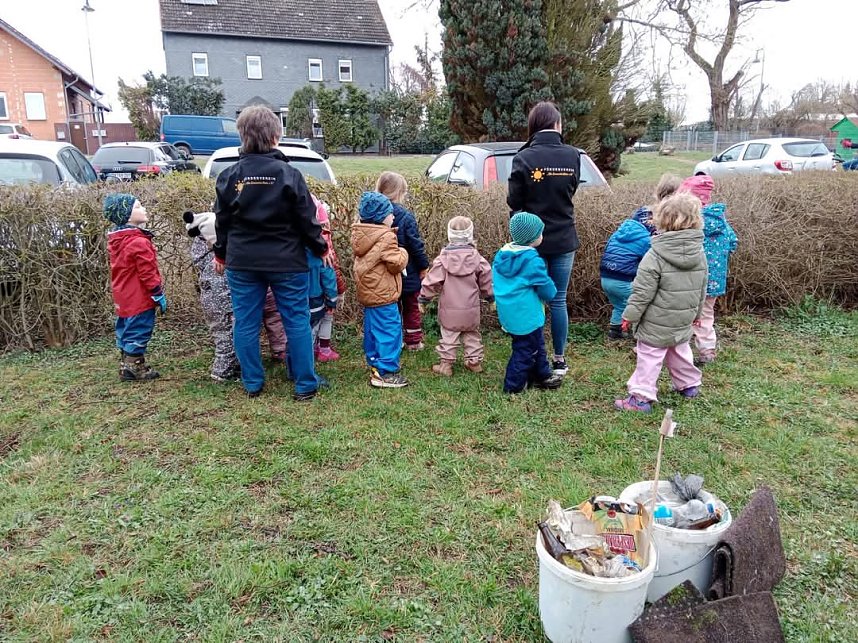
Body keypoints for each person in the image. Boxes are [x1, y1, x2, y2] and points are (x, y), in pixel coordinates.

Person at [213, 105, 328, 401]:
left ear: (242, 136)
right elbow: (307, 220)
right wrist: (320, 248)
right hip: (286, 261)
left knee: (245, 322)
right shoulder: (289, 174)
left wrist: (220, 254)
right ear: (276, 136)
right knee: (296, 321)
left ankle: (253, 382)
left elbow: (221, 222)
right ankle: (305, 383)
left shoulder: (229, 176)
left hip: (243, 262)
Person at [615, 193, 708, 413]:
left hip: (656, 321)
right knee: (679, 350)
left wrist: (629, 316)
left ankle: (640, 398)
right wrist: (697, 314)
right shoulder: (699, 252)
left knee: (649, 356)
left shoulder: (655, 254)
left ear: (662, 220)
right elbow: (702, 286)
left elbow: (642, 292)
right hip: (684, 317)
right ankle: (689, 385)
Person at [507, 101, 581, 377]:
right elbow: (571, 190)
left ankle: (534, 354)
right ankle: (559, 359)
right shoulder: (573, 155)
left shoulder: (523, 157)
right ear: (557, 124)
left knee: (531, 297)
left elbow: (514, 201)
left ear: (533, 126)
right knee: (558, 299)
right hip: (564, 238)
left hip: (530, 240)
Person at [600, 174, 681, 339]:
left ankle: (615, 331)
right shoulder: (648, 236)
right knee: (641, 304)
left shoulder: (630, 225)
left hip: (606, 276)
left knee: (620, 304)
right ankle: (641, 334)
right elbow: (652, 257)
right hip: (624, 279)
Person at [492, 212, 564, 394]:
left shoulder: (503, 254)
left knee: (536, 344)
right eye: (540, 233)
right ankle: (513, 387)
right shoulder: (531, 260)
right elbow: (544, 285)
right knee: (524, 350)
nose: (542, 236)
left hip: (509, 312)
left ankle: (542, 375)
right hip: (526, 314)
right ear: (533, 238)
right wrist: (552, 293)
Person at [418, 216, 494, 376]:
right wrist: (491, 298)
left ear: (449, 235)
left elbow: (431, 281)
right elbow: (487, 280)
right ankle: (474, 362)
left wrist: (423, 299)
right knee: (472, 335)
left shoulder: (443, 260)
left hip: (449, 310)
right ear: (470, 235)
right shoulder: (477, 259)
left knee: (449, 337)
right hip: (470, 309)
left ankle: (446, 366)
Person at [104, 193, 165, 381]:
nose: (143, 209)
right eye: (138, 206)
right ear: (126, 216)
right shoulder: (138, 242)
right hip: (139, 297)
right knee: (139, 329)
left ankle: (125, 364)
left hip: (123, 295)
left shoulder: (117, 240)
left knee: (126, 328)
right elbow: (148, 272)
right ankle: (135, 366)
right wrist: (157, 292)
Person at [352, 191, 410, 388]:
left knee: (373, 330)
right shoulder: (386, 236)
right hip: (383, 293)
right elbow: (396, 264)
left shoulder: (362, 235)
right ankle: (385, 372)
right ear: (380, 217)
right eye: (389, 213)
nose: (393, 216)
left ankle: (375, 362)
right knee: (390, 331)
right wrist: (403, 251)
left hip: (369, 293)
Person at [679, 176, 738, 364]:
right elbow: (733, 242)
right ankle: (707, 352)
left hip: (691, 278)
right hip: (714, 281)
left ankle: (678, 351)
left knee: (682, 313)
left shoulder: (689, 221)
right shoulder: (720, 220)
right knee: (705, 315)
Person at [376, 171, 430, 351]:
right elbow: (416, 245)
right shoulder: (406, 216)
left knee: (390, 310)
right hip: (408, 272)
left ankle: (394, 340)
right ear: (399, 193)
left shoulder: (372, 215)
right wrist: (423, 266)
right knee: (411, 307)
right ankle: (413, 341)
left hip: (383, 272)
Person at [313, 195, 346, 362]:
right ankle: (323, 349)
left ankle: (311, 349)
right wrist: (335, 295)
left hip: (304, 293)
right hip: (322, 293)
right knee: (325, 318)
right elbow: (330, 272)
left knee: (309, 322)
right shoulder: (324, 243)